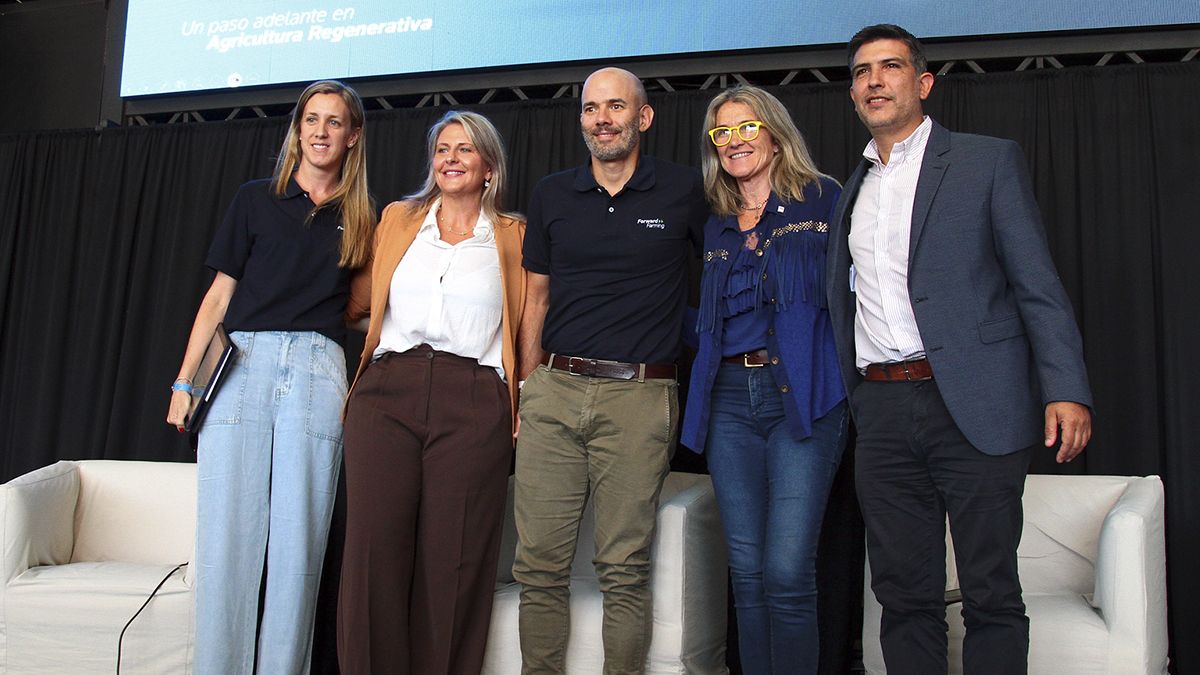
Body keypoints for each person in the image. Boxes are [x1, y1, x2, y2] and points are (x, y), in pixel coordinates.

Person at [826, 24, 1094, 674]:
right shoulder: (850, 191)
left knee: (990, 592)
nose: (873, 80)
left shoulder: (986, 161)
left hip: (975, 401)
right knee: (902, 596)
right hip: (882, 411)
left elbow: (1036, 285)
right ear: (854, 93)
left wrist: (1066, 388)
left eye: (890, 66)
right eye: (861, 71)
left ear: (923, 83)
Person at [165, 79, 374, 674]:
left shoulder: (364, 218)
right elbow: (218, 298)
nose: (320, 131)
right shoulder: (256, 198)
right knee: (227, 538)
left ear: (352, 136)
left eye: (334, 121)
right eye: (311, 119)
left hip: (317, 367)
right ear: (298, 129)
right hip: (243, 364)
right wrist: (184, 383)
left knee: (297, 545)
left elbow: (364, 311)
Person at [512, 66, 708, 674]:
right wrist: (527, 388)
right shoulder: (552, 193)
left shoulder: (684, 190)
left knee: (623, 569)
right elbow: (535, 299)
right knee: (539, 566)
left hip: (639, 397)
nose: (603, 119)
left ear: (643, 117)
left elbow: (725, 273)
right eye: (592, 108)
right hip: (553, 392)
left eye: (616, 107)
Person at [336, 110, 535, 674]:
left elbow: (528, 327)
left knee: (455, 559)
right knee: (374, 553)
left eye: (465, 149)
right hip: (387, 393)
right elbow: (358, 304)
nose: (451, 158)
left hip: (474, 397)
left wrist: (523, 398)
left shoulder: (514, 236)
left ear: (489, 167)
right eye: (443, 148)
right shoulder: (398, 220)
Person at [679, 84, 847, 674]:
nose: (734, 141)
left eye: (746, 127)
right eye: (722, 133)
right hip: (728, 402)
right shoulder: (716, 222)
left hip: (805, 396)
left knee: (787, 571)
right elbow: (706, 318)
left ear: (774, 135)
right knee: (747, 574)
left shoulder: (822, 199)